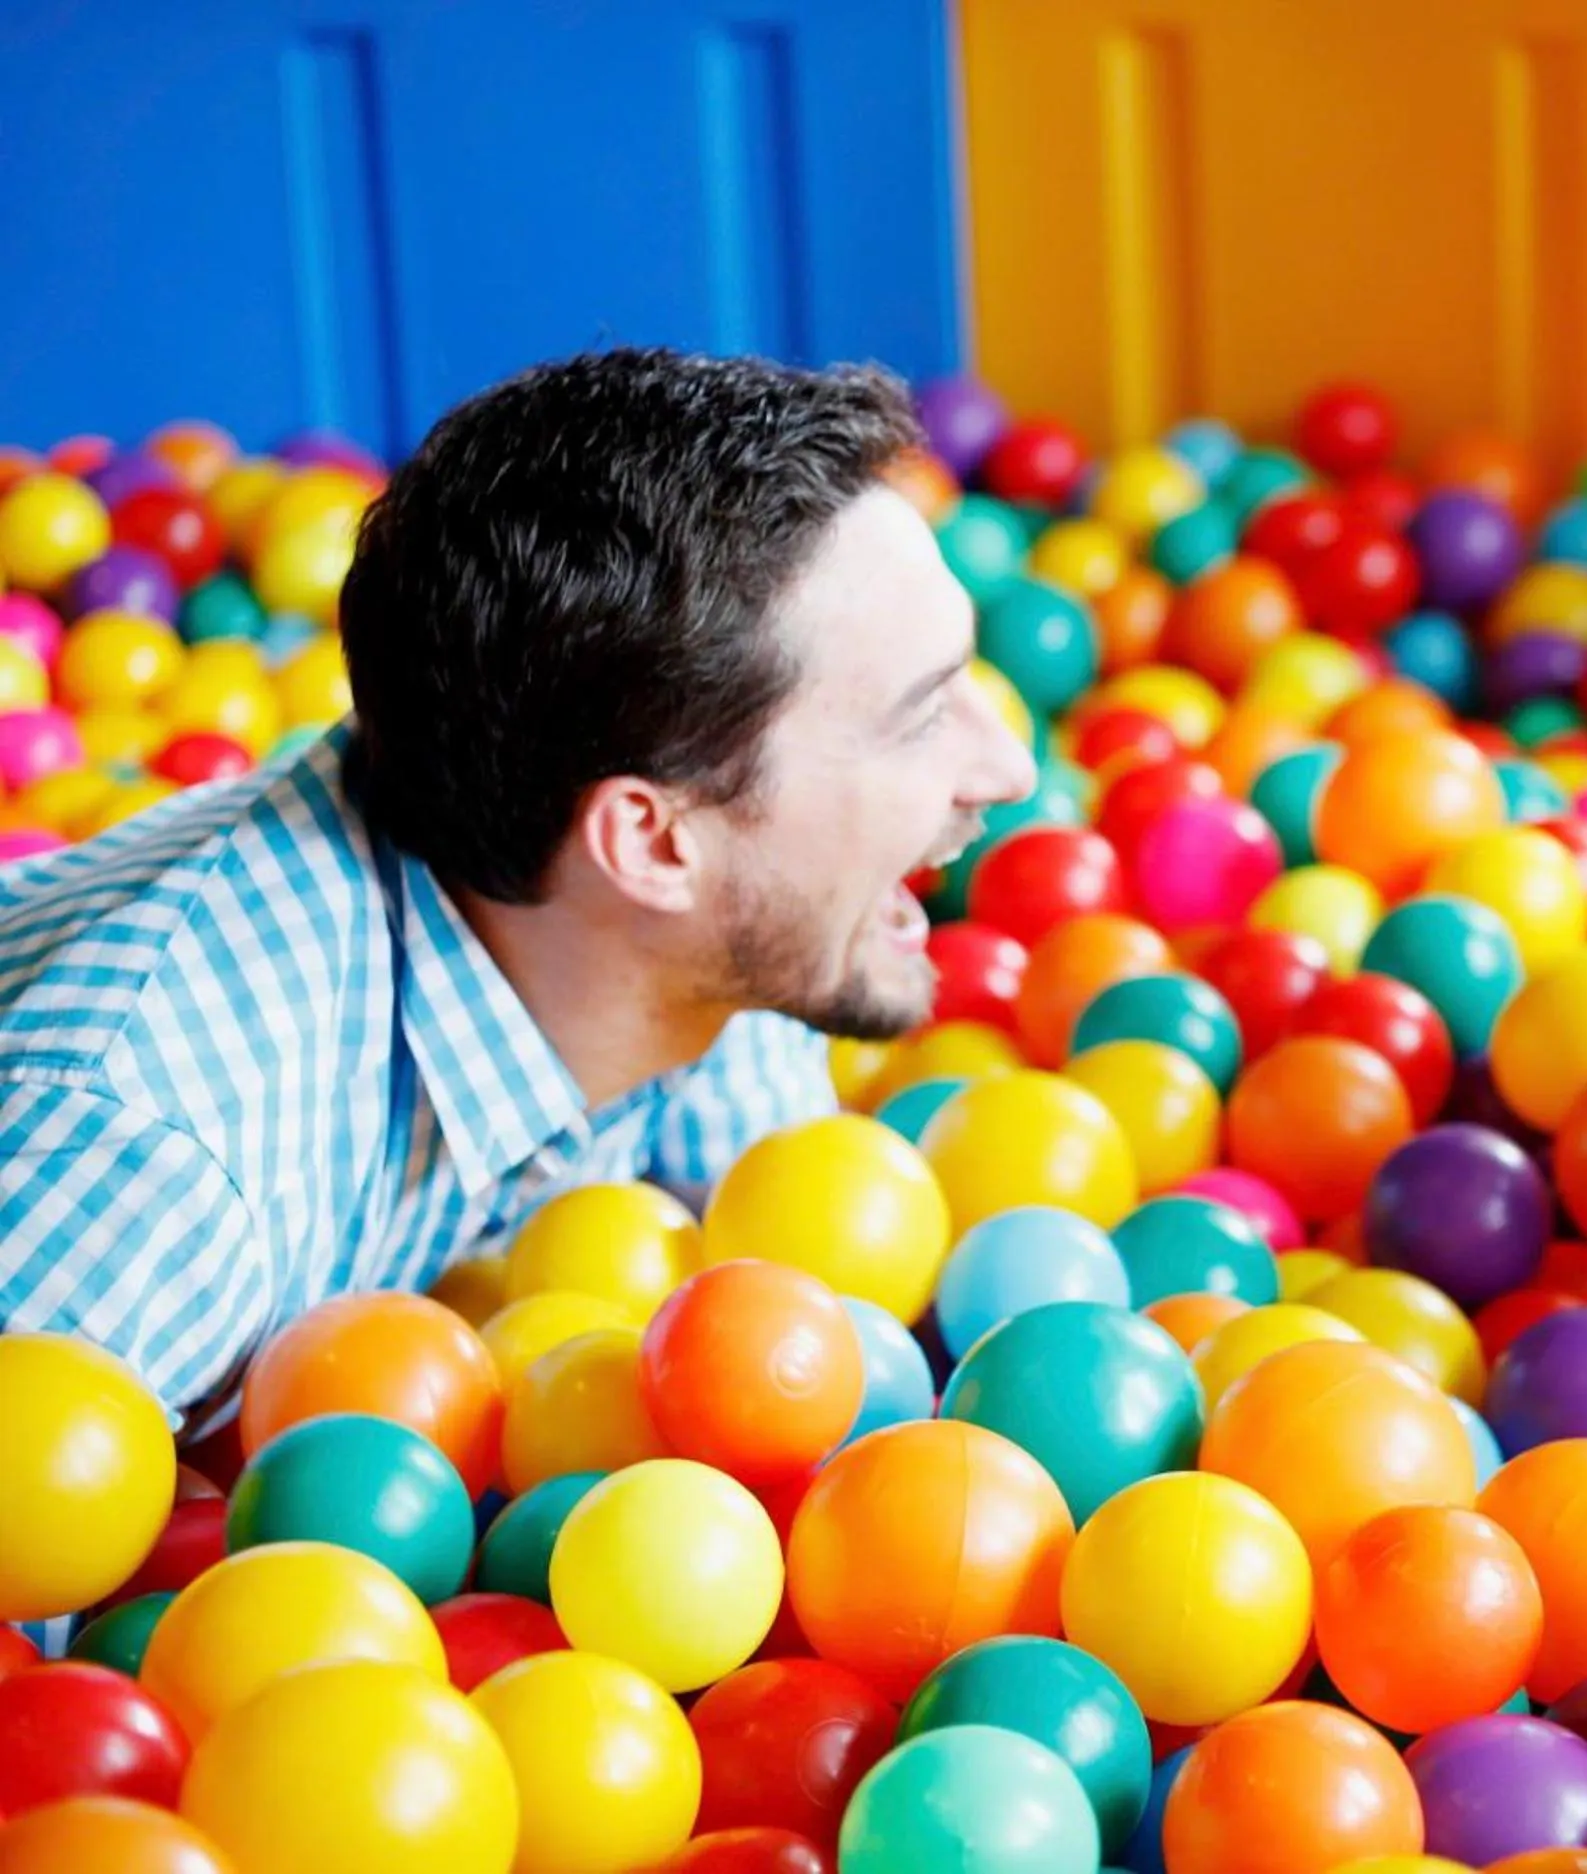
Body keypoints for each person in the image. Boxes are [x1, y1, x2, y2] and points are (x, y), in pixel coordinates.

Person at [0, 348, 1037, 1441]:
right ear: (649, 840)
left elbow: (780, 1313)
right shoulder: (152, 1156)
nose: (1010, 768)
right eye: (921, 715)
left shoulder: (700, 923)